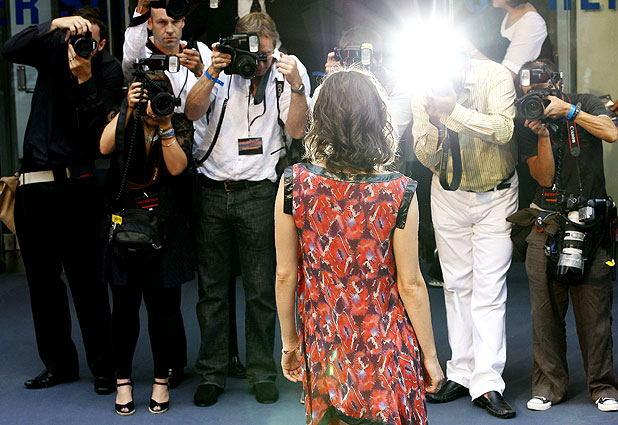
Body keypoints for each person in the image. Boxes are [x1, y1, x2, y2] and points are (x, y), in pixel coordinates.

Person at [275, 68, 444, 425]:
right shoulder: (400, 191)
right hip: (385, 347)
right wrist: (430, 357)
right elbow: (411, 285)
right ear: (377, 118)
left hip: (326, 346)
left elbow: (285, 275)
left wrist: (290, 344)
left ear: (321, 119)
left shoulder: (294, 183)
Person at [185, 11, 311, 407]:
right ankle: (212, 373)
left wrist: (296, 86)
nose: (258, 64)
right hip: (212, 189)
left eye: (266, 56)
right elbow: (191, 111)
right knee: (212, 291)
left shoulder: (286, 73)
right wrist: (211, 71)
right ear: (237, 45)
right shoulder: (219, 66)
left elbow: (296, 130)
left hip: (259, 191)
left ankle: (261, 371)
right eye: (253, 55)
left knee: (260, 289)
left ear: (276, 48)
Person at [0, 6, 122, 394]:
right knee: (43, 286)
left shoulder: (107, 71)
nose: (81, 44)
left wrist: (84, 79)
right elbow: (9, 49)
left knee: (88, 283)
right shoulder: (53, 51)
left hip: (77, 187)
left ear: (101, 44)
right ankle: (59, 365)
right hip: (33, 188)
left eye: (90, 40)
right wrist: (54, 26)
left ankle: (104, 368)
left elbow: (101, 136)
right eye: (76, 36)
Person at [412, 56, 519, 419]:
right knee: (457, 285)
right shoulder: (423, 81)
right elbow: (423, 154)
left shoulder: (495, 75)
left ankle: (487, 381)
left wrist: (453, 112)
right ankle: (461, 371)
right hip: (448, 194)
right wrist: (436, 126)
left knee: (489, 288)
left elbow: (503, 130)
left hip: (496, 194)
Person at [514, 59, 618, 413]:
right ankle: (548, 386)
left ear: (557, 83)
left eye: (542, 90)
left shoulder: (585, 102)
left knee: (595, 315)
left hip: (591, 227)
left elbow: (611, 132)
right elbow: (544, 178)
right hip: (547, 226)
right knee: (545, 316)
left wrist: (571, 112)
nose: (537, 98)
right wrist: (543, 134)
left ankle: (602, 386)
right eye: (530, 92)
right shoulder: (527, 121)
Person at [121, 0, 212, 388]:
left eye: (175, 22)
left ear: (184, 22)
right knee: (156, 278)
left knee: (186, 276)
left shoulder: (199, 52)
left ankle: (195, 359)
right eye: (161, 22)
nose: (170, 29)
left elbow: (206, 108)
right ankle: (168, 363)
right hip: (152, 166)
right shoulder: (139, 56)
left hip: (196, 165)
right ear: (152, 25)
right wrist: (140, 10)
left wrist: (202, 72)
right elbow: (128, 62)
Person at [99, 71, 195, 415]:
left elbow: (177, 168)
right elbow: (104, 147)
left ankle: (160, 382)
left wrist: (165, 124)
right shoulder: (125, 118)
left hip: (165, 228)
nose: (154, 102)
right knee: (123, 311)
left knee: (164, 312)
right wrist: (128, 108)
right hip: (125, 226)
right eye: (148, 95)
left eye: (160, 95)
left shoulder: (177, 123)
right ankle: (122, 382)